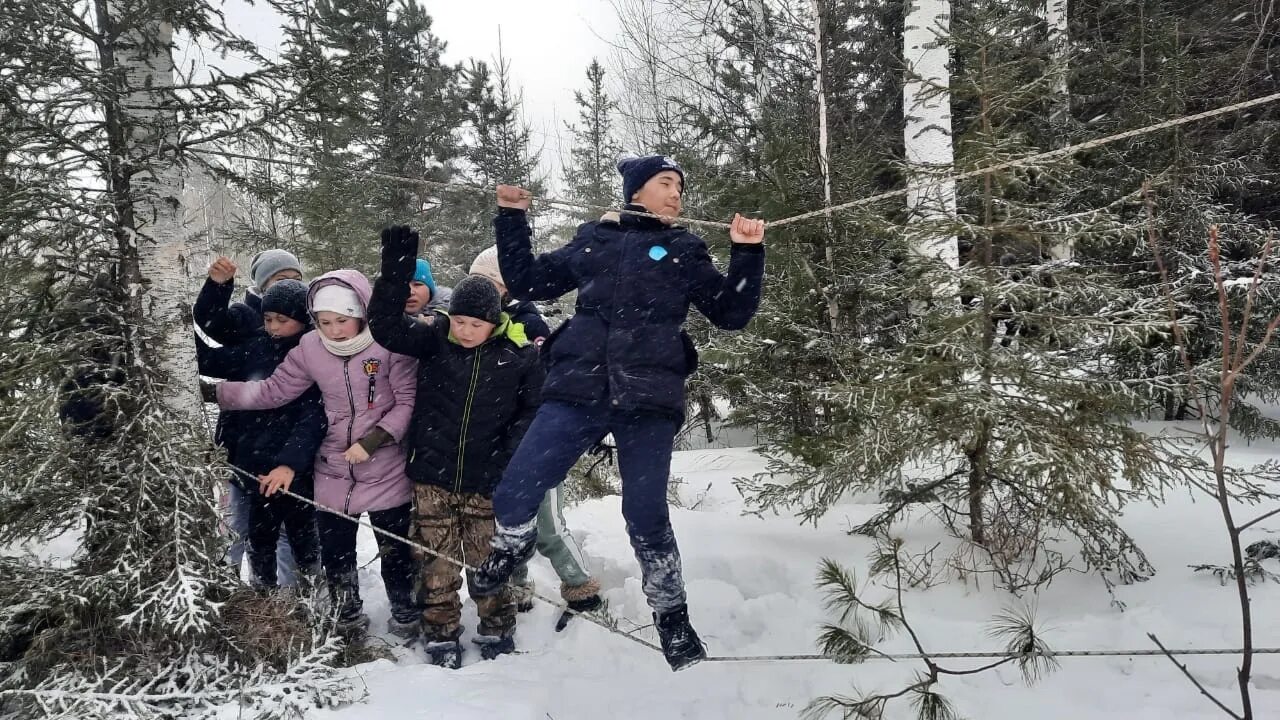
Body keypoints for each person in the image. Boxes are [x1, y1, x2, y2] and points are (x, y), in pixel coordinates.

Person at [469, 155, 766, 671]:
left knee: (645, 515)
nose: (676, 194)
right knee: (516, 488)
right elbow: (528, 281)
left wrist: (747, 252)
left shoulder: (682, 249)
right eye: (665, 184)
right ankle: (509, 549)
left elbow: (731, 312)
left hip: (647, 397)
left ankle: (671, 616)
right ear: (636, 191)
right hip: (576, 388)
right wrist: (512, 218)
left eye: (679, 187)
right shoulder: (595, 241)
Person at [370, 227, 545, 666]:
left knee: (488, 565)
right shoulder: (434, 343)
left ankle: (497, 630)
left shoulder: (517, 356)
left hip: (487, 482)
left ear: (496, 320)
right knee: (436, 563)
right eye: (461, 321)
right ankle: (442, 633)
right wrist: (396, 269)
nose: (466, 331)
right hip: (432, 478)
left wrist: (507, 457)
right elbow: (386, 326)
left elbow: (532, 413)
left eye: (477, 324)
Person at [215, 270, 420, 636]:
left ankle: (405, 611)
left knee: (395, 550)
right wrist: (218, 393)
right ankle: (348, 617)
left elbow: (406, 402)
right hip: (334, 466)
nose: (335, 330)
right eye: (325, 322)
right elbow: (274, 390)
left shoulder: (388, 344)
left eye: (342, 320)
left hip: (386, 465)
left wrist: (374, 440)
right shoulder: (310, 347)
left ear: (361, 312)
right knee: (337, 553)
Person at [469, 245, 602, 627]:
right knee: (507, 524)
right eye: (478, 283)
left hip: (538, 443)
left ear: (506, 287)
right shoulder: (470, 325)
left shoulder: (530, 325)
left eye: (491, 284)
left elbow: (549, 381)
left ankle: (582, 590)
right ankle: (518, 586)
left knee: (548, 527)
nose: (485, 292)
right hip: (495, 446)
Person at [197, 278, 326, 593]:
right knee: (259, 537)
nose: (274, 327)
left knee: (302, 538)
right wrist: (177, 335)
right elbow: (209, 359)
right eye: (268, 319)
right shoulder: (255, 346)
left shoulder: (314, 356)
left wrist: (289, 463)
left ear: (303, 319)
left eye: (283, 320)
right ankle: (262, 595)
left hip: (296, 475)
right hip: (252, 466)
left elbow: (313, 418)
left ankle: (307, 595)